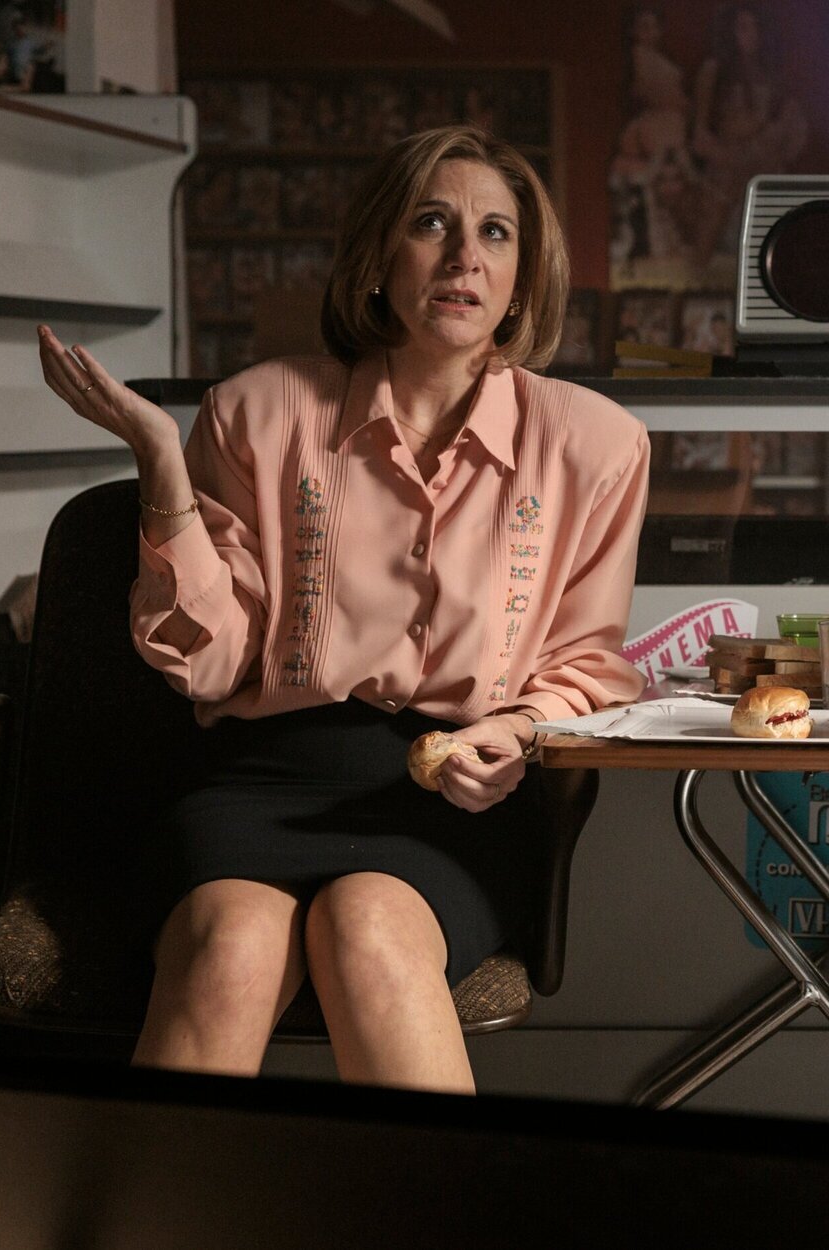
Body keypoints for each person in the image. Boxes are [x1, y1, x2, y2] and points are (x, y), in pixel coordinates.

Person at [35, 125, 650, 1095]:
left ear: (523, 276)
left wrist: (516, 731)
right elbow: (211, 660)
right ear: (378, 253)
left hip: (452, 802)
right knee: (232, 948)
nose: (464, 256)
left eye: (495, 233)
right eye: (432, 223)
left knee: (370, 931)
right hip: (254, 781)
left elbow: (586, 664)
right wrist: (162, 465)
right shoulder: (257, 409)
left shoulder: (596, 444)